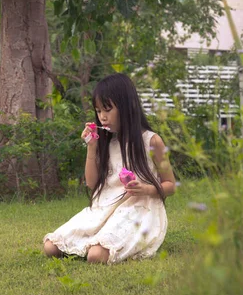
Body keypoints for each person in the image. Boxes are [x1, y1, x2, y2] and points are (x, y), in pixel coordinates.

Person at [43, 73, 176, 264]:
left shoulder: (151, 141)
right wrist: (92, 147)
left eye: (107, 109)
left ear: (126, 107)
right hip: (104, 207)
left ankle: (103, 244)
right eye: (98, 111)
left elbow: (171, 185)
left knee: (96, 256)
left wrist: (147, 189)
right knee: (50, 247)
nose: (102, 117)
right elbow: (92, 183)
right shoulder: (107, 142)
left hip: (138, 210)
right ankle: (93, 241)